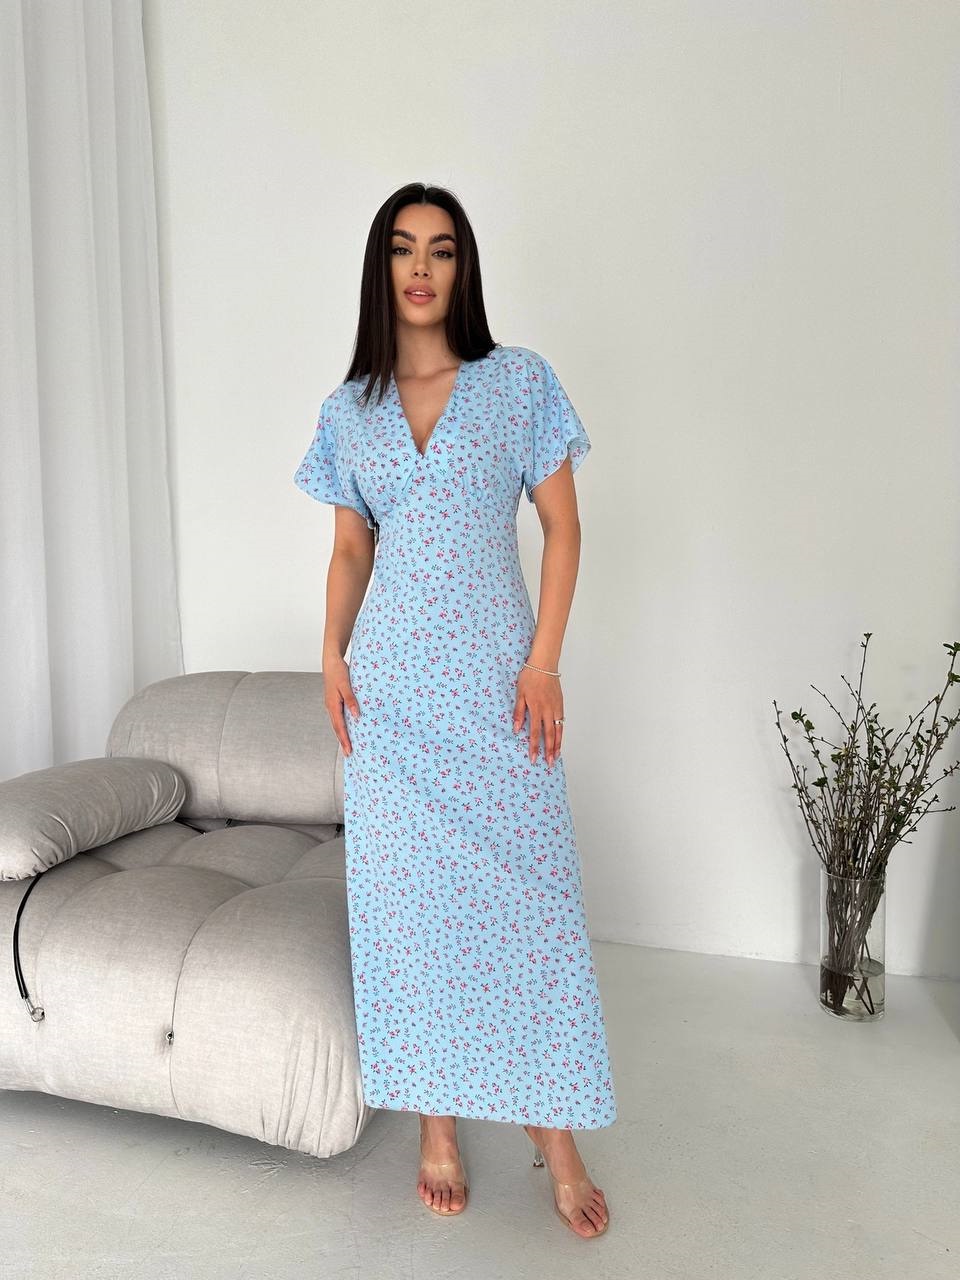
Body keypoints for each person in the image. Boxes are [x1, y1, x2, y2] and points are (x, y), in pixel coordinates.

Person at [293, 183, 615, 1239]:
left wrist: (544, 663)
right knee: (411, 915)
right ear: (381, 268)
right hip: (390, 704)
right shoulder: (350, 409)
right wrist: (331, 651)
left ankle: (552, 1128)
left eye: (441, 249)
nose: (422, 267)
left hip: (499, 691)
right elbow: (351, 548)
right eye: (403, 249)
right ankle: (437, 1122)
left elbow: (563, 528)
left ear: (463, 267)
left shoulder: (519, 383)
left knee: (534, 909)